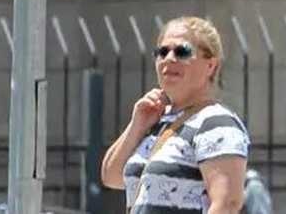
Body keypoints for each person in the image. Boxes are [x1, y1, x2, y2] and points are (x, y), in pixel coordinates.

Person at [100, 16, 250, 214]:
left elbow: (227, 204)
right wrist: (137, 124)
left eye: (182, 52)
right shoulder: (157, 121)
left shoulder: (217, 122)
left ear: (210, 66)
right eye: (162, 52)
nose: (169, 58)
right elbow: (112, 176)